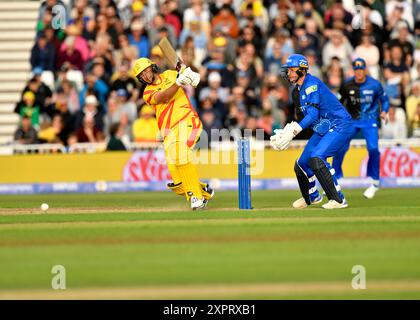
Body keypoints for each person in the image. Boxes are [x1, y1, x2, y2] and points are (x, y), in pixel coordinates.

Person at [270, 54, 356, 209]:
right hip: (324, 128)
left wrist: (293, 132)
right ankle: (312, 196)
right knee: (301, 164)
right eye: (287, 70)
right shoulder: (296, 92)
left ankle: (338, 199)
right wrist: (288, 130)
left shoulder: (311, 84)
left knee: (317, 157)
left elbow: (313, 115)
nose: (288, 73)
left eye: (291, 70)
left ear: (302, 70)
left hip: (340, 124)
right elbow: (304, 118)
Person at [132, 57, 214, 210]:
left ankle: (196, 197)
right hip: (169, 132)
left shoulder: (170, 74)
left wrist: (187, 72)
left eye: (145, 71)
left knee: (180, 154)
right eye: (141, 75)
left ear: (152, 67)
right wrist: (179, 82)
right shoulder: (147, 93)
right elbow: (164, 96)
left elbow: (187, 75)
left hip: (187, 121)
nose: (144, 76)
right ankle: (204, 191)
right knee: (177, 180)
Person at [332, 58, 390, 199]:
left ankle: (375, 181)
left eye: (361, 69)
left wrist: (384, 111)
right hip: (351, 121)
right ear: (354, 70)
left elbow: (385, 99)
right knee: (339, 148)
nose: (359, 72)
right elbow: (338, 102)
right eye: (356, 69)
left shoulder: (375, 84)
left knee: (373, 149)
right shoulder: (347, 84)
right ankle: (335, 179)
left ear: (364, 69)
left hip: (370, 121)